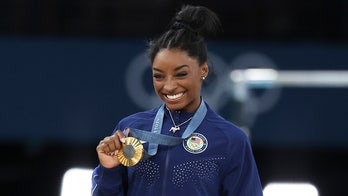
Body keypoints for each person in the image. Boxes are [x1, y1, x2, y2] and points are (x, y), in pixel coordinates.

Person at [91, 4, 263, 196]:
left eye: (181, 74)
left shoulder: (231, 140)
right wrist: (109, 169)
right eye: (159, 76)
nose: (169, 86)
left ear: (203, 70)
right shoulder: (130, 129)